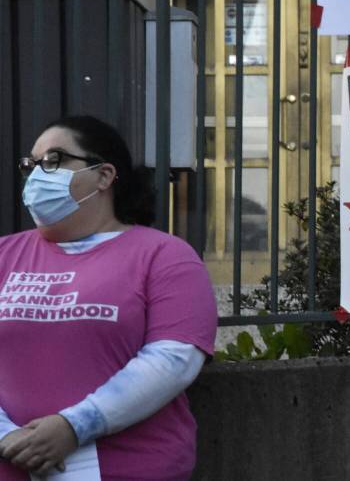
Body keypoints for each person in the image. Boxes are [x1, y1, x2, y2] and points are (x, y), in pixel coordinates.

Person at [0, 116, 217, 481]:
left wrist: (73, 426)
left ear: (104, 176)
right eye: (31, 165)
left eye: (54, 160)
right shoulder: (5, 255)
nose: (38, 175)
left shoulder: (165, 256)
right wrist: (8, 437)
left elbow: (174, 359)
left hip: (129, 466)